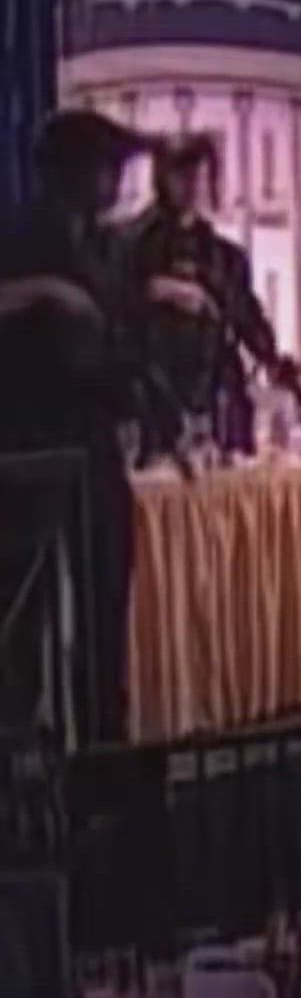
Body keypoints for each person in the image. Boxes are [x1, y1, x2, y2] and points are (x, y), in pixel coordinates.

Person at [0, 110, 161, 744]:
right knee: (37, 617)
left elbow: (113, 340)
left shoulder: (99, 247)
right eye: (107, 170)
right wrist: (45, 293)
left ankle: (103, 743)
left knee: (102, 609)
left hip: (92, 451)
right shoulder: (24, 237)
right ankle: (39, 754)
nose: (116, 184)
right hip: (38, 450)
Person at [126, 134, 301, 455]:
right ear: (163, 179)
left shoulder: (226, 257)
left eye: (200, 176)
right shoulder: (135, 249)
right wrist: (159, 291)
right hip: (157, 392)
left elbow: (247, 317)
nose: (192, 186)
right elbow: (115, 307)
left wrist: (275, 362)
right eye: (182, 175)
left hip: (217, 390)